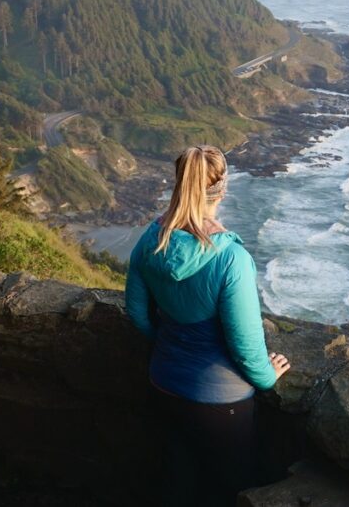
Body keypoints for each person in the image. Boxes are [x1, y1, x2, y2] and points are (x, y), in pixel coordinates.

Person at [125, 144, 291, 506]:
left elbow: (137, 314)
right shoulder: (231, 260)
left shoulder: (150, 241)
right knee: (228, 490)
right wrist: (266, 377)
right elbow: (245, 346)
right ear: (222, 189)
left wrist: (170, 343)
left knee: (176, 482)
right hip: (220, 404)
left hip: (164, 383)